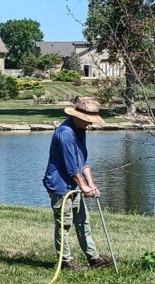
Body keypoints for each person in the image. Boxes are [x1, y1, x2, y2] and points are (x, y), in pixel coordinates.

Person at [43, 97, 114, 271]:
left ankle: (94, 258)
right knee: (64, 224)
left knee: (83, 221)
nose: (90, 124)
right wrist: (83, 186)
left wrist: (91, 183)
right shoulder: (65, 133)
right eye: (88, 121)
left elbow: (83, 161)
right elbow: (71, 167)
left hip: (75, 184)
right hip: (60, 185)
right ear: (78, 116)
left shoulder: (80, 129)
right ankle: (65, 261)